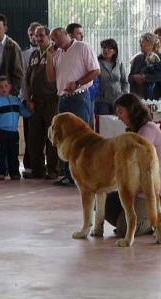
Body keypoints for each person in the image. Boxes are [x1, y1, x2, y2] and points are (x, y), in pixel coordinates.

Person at [105, 93, 161, 236]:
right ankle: (136, 220)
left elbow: (133, 157)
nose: (118, 116)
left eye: (120, 111)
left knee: (124, 230)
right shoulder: (135, 130)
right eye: (117, 112)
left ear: (131, 109)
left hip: (150, 191)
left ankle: (159, 220)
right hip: (134, 189)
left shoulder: (148, 129)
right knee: (101, 201)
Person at [46, 27, 100, 187]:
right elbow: (51, 77)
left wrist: (77, 83)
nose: (55, 41)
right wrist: (49, 59)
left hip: (79, 97)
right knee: (64, 137)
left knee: (80, 136)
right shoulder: (58, 54)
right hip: (63, 98)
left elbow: (95, 71)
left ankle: (84, 173)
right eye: (53, 39)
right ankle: (69, 174)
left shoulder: (82, 47)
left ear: (66, 34)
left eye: (57, 37)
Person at [24, 26, 59, 180]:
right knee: (34, 137)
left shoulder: (56, 53)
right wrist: (29, 98)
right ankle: (37, 168)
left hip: (52, 99)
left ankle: (53, 169)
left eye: (41, 36)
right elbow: (28, 79)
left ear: (49, 37)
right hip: (36, 101)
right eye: (36, 36)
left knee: (52, 136)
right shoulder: (33, 55)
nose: (38, 39)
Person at [0, 75, 32, 180]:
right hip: (1, 132)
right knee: (1, 154)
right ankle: (0, 172)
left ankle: (14, 172)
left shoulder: (16, 100)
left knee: (14, 153)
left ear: (10, 87)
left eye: (6, 86)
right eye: (1, 87)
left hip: (13, 132)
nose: (4, 88)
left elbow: (23, 112)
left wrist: (31, 111)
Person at [128, 32, 161, 107]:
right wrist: (134, 78)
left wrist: (146, 78)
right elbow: (130, 77)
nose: (140, 45)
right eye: (140, 42)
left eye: (143, 43)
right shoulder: (137, 59)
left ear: (151, 45)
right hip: (142, 98)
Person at [19, 22, 42, 176]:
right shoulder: (24, 54)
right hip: (27, 98)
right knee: (30, 133)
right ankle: (29, 162)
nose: (35, 37)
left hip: (44, 99)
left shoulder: (52, 52)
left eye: (38, 34)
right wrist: (26, 97)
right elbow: (23, 78)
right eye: (32, 34)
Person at [94, 38, 129, 115]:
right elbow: (93, 82)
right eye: (104, 48)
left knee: (117, 123)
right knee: (103, 124)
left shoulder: (119, 64)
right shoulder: (96, 63)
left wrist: (123, 94)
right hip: (102, 101)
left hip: (117, 100)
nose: (106, 50)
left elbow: (125, 82)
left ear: (114, 51)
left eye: (109, 48)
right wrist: (98, 96)